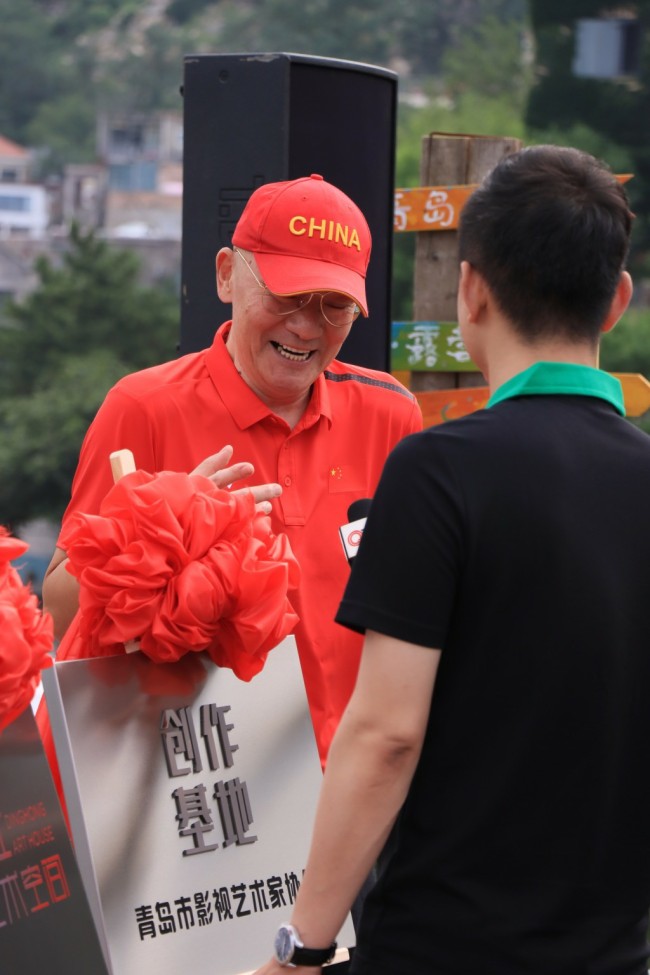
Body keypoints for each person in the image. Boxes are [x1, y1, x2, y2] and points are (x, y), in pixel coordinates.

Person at [251, 145, 650, 975]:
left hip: (441, 945)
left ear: (470, 291)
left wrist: (305, 945)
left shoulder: (439, 470)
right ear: (616, 301)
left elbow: (387, 732)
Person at [42, 173, 422, 767]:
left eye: (333, 306)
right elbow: (58, 606)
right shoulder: (144, 407)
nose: (305, 326)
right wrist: (158, 531)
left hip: (354, 788)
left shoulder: (390, 414)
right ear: (226, 274)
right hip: (200, 784)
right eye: (286, 296)